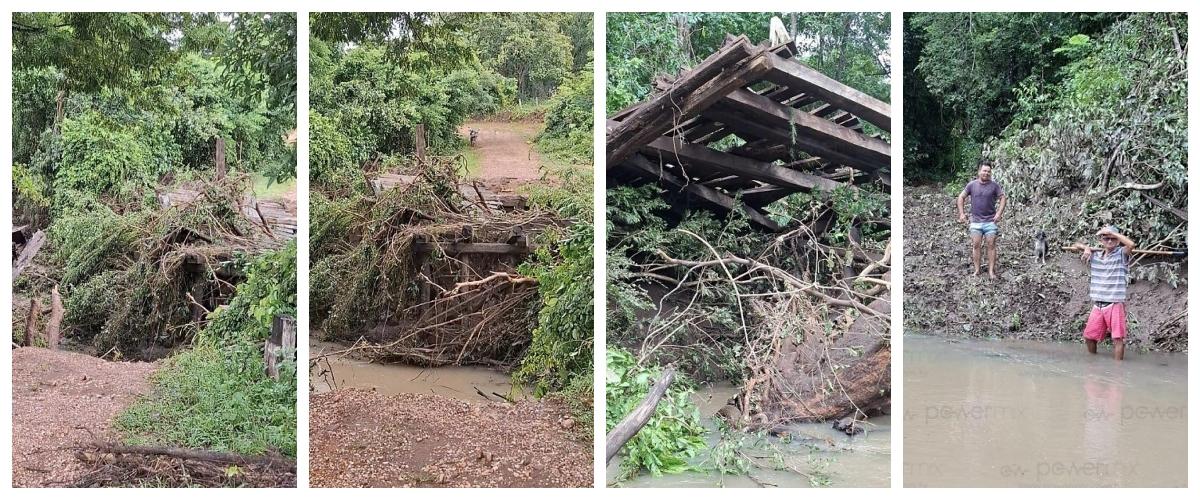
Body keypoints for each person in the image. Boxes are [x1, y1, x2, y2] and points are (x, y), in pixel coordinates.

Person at [1069, 226, 1136, 360]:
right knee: (1089, 337)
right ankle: (1093, 363)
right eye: (1106, 238)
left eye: (1113, 239)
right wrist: (1086, 248)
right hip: (1098, 304)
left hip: (1114, 304)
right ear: (1101, 240)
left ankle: (1118, 371)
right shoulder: (1095, 255)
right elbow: (1074, 245)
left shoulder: (1121, 254)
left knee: (1117, 339)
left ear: (1117, 241)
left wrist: (1113, 233)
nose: (1110, 241)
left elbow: (1131, 244)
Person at [956, 162, 1006, 278]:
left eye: (988, 171)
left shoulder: (994, 186)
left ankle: (991, 271)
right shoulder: (972, 185)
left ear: (990, 173)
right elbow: (961, 197)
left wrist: (999, 213)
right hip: (976, 221)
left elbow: (1003, 198)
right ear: (979, 172)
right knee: (976, 245)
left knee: (991, 244)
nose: (986, 173)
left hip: (990, 221)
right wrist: (961, 213)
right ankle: (977, 270)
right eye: (984, 171)